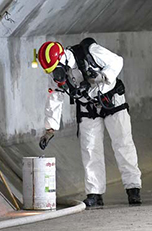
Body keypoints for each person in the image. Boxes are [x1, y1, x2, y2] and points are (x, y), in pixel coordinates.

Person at [36, 38, 142, 207]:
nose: (54, 74)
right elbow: (54, 98)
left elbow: (117, 61)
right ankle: (94, 193)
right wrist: (50, 129)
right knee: (90, 149)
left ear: (62, 58)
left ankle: (133, 188)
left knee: (123, 143)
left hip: (111, 100)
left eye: (54, 69)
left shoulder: (90, 52)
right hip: (87, 107)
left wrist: (104, 76)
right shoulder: (56, 75)